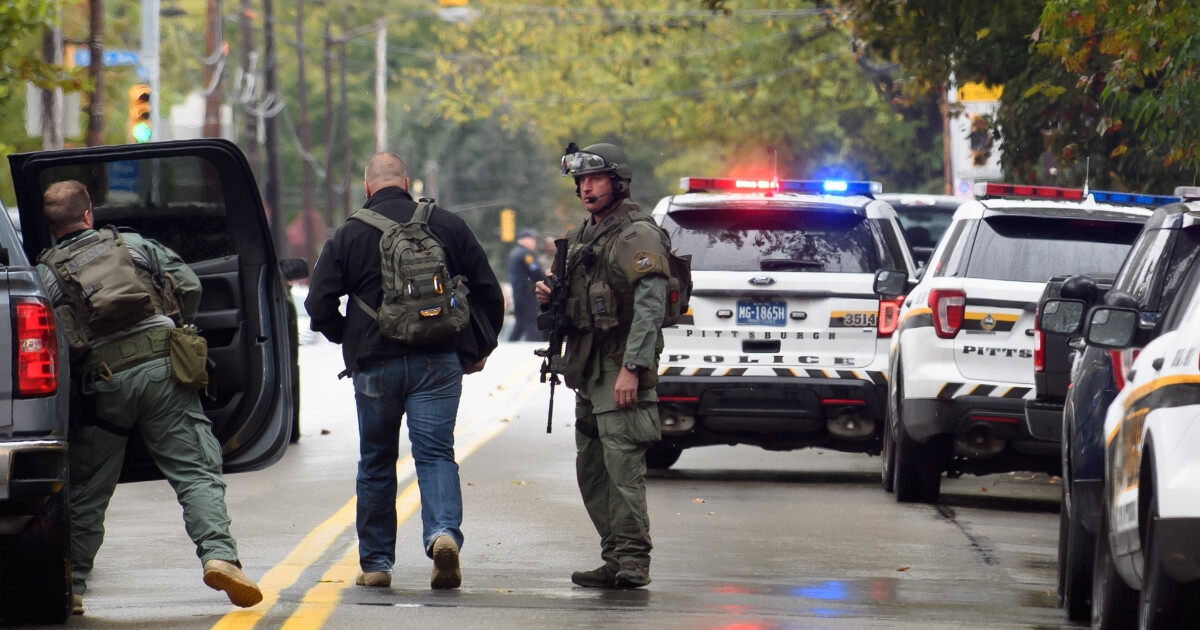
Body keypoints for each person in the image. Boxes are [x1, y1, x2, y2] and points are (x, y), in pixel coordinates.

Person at [37, 180, 262, 615]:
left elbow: (50, 338)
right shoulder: (133, 245)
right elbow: (190, 285)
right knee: (195, 470)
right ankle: (219, 556)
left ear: (53, 226)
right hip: (164, 371)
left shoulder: (46, 272)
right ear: (88, 215)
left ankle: (75, 586)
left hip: (103, 384)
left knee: (87, 492)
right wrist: (174, 327)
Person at [305, 152, 504, 590]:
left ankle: (376, 564)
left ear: (367, 187)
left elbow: (317, 305)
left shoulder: (348, 234)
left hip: (374, 366)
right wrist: (477, 349)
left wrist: (349, 337)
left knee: (376, 461)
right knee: (435, 454)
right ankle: (443, 534)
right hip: (438, 361)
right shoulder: (447, 224)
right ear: (408, 182)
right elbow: (488, 290)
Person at [535, 142, 669, 589]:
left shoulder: (637, 236)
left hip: (618, 366)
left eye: (594, 179)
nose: (586, 188)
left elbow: (650, 305)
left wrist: (633, 366)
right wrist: (553, 297)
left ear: (617, 182)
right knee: (591, 468)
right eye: (581, 181)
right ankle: (613, 557)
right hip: (588, 370)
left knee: (622, 468)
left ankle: (634, 560)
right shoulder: (583, 237)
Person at [506, 227, 547, 342]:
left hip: (518, 292)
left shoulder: (514, 253)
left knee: (520, 322)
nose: (534, 242)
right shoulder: (526, 254)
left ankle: (510, 344)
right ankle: (533, 347)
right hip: (527, 293)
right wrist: (548, 279)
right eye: (532, 239)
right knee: (533, 321)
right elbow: (535, 271)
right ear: (524, 240)